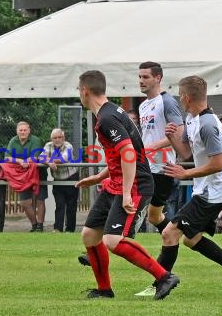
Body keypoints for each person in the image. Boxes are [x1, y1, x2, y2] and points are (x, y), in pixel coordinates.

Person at [75, 70, 179, 300]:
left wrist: (125, 193)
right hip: (117, 182)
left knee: (112, 240)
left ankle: (164, 277)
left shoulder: (107, 118)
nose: (79, 96)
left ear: (85, 91)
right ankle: (104, 289)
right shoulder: (110, 112)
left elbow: (128, 153)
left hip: (134, 185)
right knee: (90, 235)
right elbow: (120, 154)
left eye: (78, 91)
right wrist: (100, 177)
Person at [156, 75, 222, 295]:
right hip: (205, 190)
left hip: (213, 193)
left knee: (169, 233)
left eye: (180, 95)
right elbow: (187, 153)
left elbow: (217, 164)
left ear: (187, 97)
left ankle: (160, 281)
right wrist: (172, 139)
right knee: (190, 239)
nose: (179, 99)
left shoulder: (208, 124)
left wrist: (185, 172)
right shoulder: (191, 118)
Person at [137, 61, 184, 234]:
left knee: (133, 208)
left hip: (162, 168)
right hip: (146, 166)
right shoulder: (143, 105)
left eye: (146, 77)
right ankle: (175, 236)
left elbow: (179, 134)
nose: (141, 81)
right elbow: (148, 135)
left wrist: (150, 147)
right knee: (153, 217)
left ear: (158, 78)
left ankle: (110, 242)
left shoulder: (167, 101)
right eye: (139, 77)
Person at [6, 121, 47, 232]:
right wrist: (20, 161)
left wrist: (25, 161)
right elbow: (7, 157)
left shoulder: (35, 140)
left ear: (29, 131)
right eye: (21, 130)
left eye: (25, 130)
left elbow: (35, 157)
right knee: (24, 202)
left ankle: (40, 226)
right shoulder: (13, 141)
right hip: (22, 175)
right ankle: (34, 224)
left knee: (40, 200)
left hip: (38, 173)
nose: (23, 132)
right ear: (17, 131)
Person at [43, 128, 79, 233]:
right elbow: (40, 157)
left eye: (60, 137)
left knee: (71, 206)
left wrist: (48, 159)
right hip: (58, 179)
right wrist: (49, 163)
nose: (57, 139)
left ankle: (70, 230)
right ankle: (58, 229)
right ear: (51, 139)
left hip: (71, 178)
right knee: (59, 204)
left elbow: (63, 159)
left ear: (63, 138)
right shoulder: (48, 145)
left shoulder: (68, 146)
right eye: (55, 138)